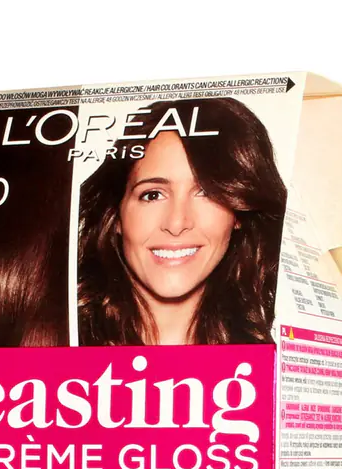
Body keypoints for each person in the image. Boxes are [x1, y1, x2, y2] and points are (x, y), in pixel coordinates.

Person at [78, 97, 287, 346]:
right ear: (116, 216)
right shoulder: (52, 342)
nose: (176, 224)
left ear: (238, 214)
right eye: (153, 195)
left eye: (206, 193)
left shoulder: (274, 358)